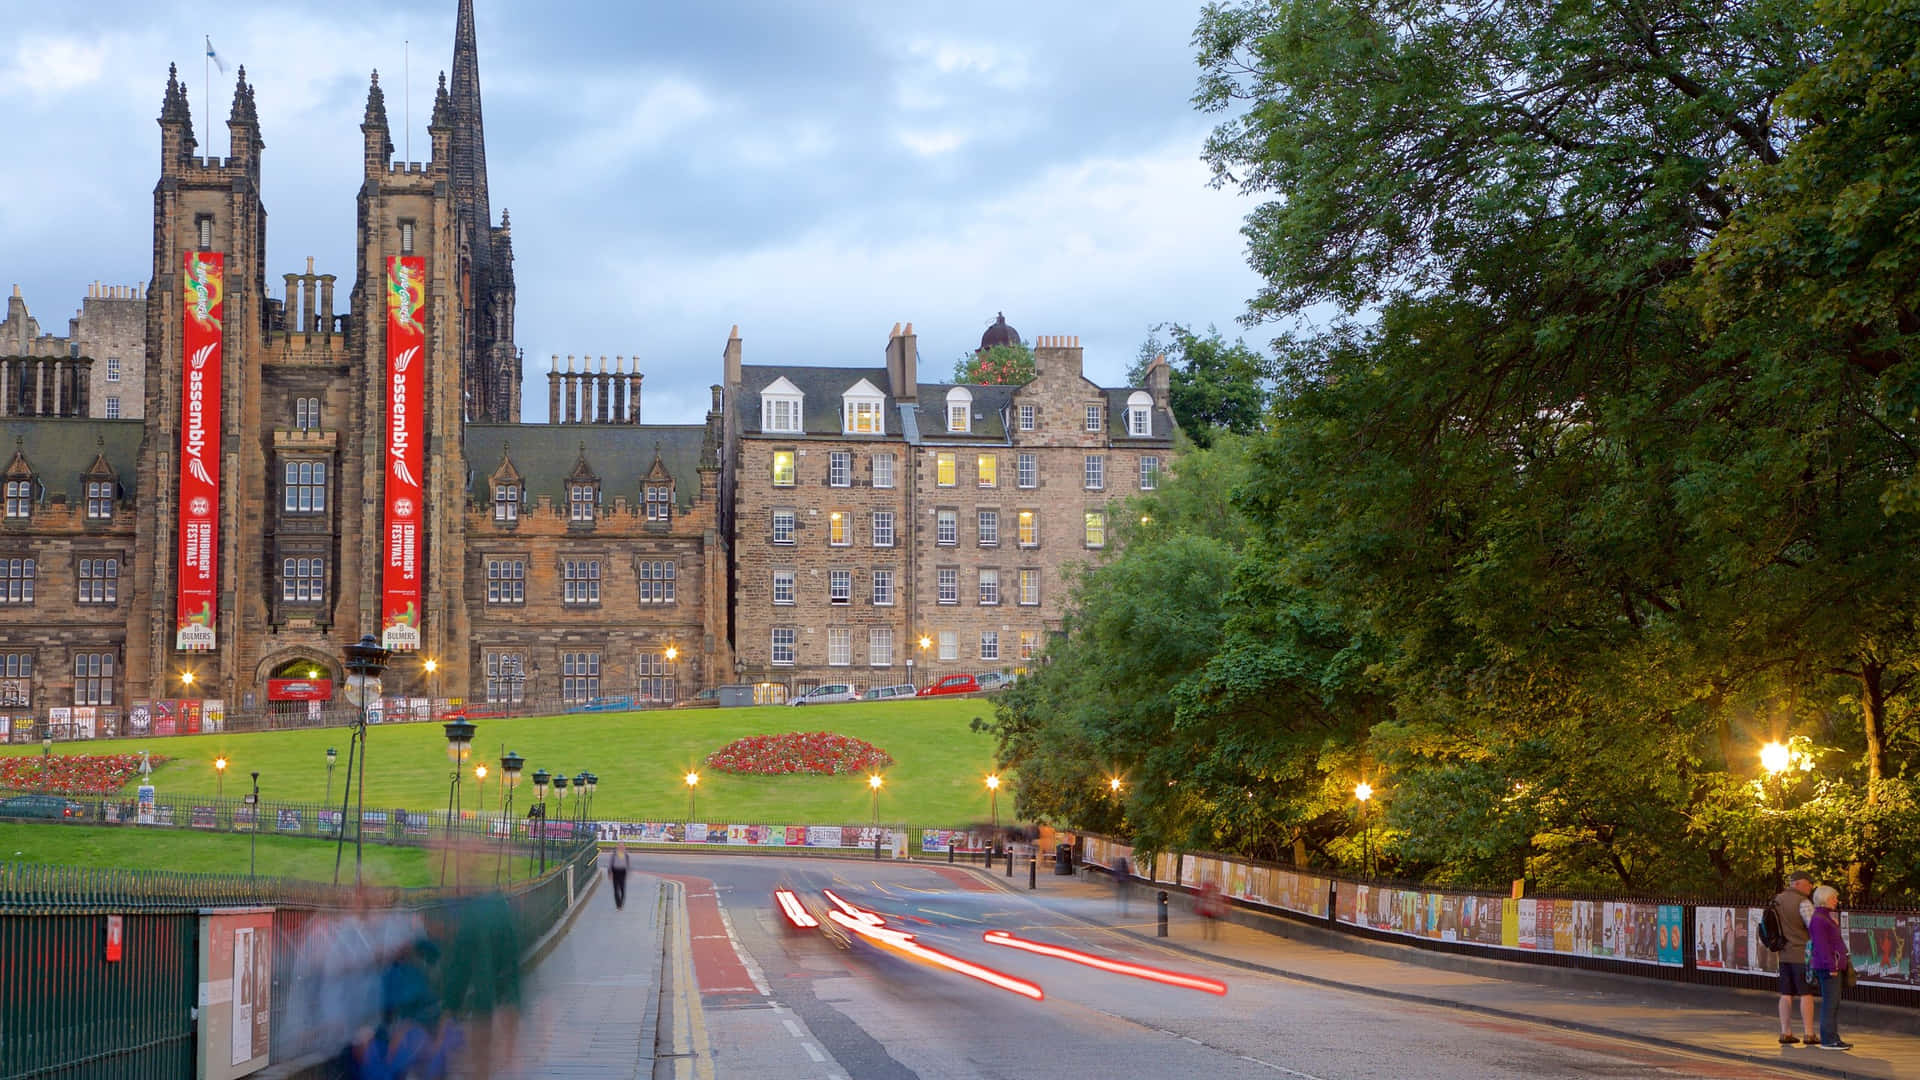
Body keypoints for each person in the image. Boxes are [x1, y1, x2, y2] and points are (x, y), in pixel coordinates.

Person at [1770, 871, 1818, 1045]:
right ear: (1797, 883)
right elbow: (1814, 927)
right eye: (1808, 884)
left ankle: (1785, 1032)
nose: (1810, 887)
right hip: (1801, 953)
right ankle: (1809, 1033)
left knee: (1786, 994)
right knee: (1806, 994)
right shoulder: (1803, 902)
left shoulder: (1777, 900)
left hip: (1783, 954)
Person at [1808, 884, 1852, 1051]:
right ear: (1825, 899)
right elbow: (1822, 945)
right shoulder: (1819, 919)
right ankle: (1829, 1039)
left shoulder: (1825, 917)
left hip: (1833, 964)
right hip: (1828, 967)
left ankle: (1833, 1037)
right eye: (1833, 897)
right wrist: (1831, 966)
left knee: (1834, 1003)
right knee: (1830, 1003)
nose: (1836, 900)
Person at [609, 842, 631, 910]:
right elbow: (610, 864)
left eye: (622, 846)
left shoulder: (626, 854)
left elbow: (628, 865)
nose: (621, 847)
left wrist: (628, 873)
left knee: (622, 889)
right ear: (617, 847)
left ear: (624, 847)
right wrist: (610, 873)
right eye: (619, 846)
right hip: (615, 871)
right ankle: (618, 905)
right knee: (616, 889)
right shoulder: (614, 854)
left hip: (622, 872)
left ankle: (621, 903)